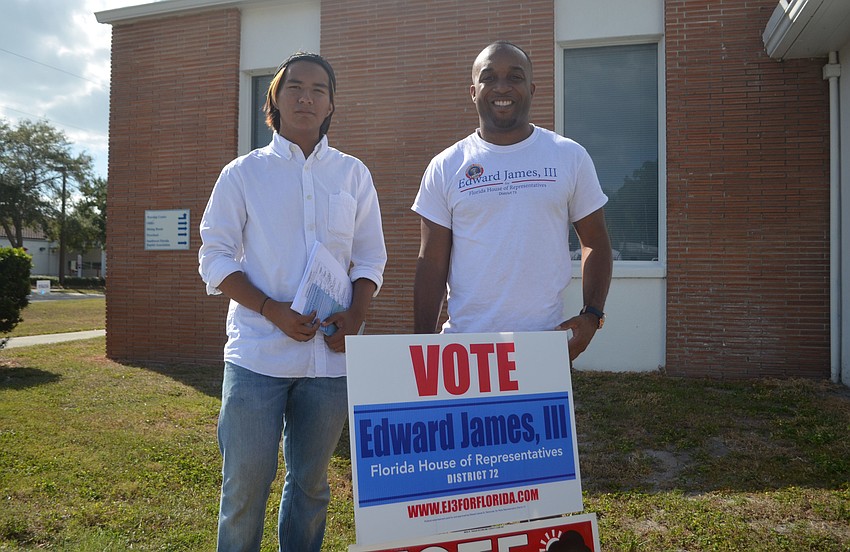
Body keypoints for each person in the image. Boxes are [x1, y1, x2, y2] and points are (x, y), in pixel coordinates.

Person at [198, 52, 386, 552]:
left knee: (311, 487)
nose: (307, 96)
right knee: (244, 489)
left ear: (330, 105)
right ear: (275, 101)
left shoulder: (353, 175)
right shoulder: (243, 174)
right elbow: (214, 257)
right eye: (295, 87)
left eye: (319, 89)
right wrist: (270, 310)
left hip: (328, 362)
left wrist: (358, 315)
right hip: (257, 356)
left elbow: (369, 258)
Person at [412, 40, 612, 362]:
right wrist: (421, 347)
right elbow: (432, 263)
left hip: (545, 347)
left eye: (514, 77)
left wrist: (592, 315)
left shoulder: (569, 156)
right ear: (473, 92)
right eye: (489, 77)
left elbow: (596, 241)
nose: (501, 87)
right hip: (464, 351)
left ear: (532, 89)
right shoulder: (447, 165)